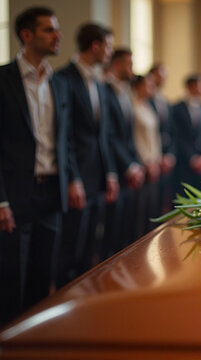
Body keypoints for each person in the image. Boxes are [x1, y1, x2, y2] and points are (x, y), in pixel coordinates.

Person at [0, 6, 76, 325]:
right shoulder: (3, 79)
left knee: (44, 278)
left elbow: (64, 140)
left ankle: (36, 343)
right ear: (27, 35)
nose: (58, 36)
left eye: (56, 29)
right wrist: (1, 199)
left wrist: (72, 180)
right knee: (11, 282)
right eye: (49, 30)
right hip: (16, 195)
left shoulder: (58, 83)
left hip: (51, 192)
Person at [56, 23, 118, 287]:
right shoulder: (63, 79)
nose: (110, 52)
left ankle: (83, 296)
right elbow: (64, 135)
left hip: (97, 174)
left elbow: (103, 135)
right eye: (108, 46)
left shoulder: (99, 82)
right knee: (70, 245)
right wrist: (72, 177)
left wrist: (111, 172)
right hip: (76, 176)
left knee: (90, 243)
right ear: (95, 45)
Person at [103, 48, 145, 257]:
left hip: (129, 166)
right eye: (129, 64)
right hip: (115, 167)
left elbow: (130, 136)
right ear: (117, 65)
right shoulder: (106, 92)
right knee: (112, 229)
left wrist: (135, 163)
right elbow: (109, 136)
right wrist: (128, 165)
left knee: (126, 227)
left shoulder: (125, 92)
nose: (132, 69)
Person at [171, 73, 201, 193]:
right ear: (191, 86)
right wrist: (192, 158)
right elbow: (177, 136)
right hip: (184, 164)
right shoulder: (177, 108)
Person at [132, 74, 163, 233]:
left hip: (153, 163)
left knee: (151, 209)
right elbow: (136, 138)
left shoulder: (147, 106)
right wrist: (147, 162)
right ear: (137, 87)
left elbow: (154, 136)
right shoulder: (133, 106)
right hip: (142, 163)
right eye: (147, 85)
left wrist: (157, 159)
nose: (151, 89)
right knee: (139, 211)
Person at [148, 63, 175, 214]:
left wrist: (169, 154)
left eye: (164, 76)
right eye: (160, 75)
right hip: (152, 156)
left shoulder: (165, 101)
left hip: (166, 156)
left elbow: (171, 131)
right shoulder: (145, 100)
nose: (163, 79)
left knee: (162, 201)